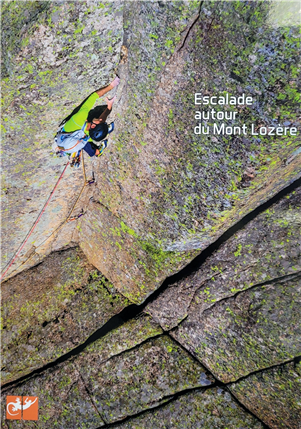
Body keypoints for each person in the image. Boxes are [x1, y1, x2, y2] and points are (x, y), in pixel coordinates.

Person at [57, 76, 120, 158]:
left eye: (100, 121)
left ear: (93, 126)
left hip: (63, 140)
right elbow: (102, 119)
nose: (101, 119)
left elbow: (93, 96)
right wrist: (109, 107)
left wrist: (111, 86)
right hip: (67, 143)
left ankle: (94, 152)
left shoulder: (79, 118)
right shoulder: (90, 135)